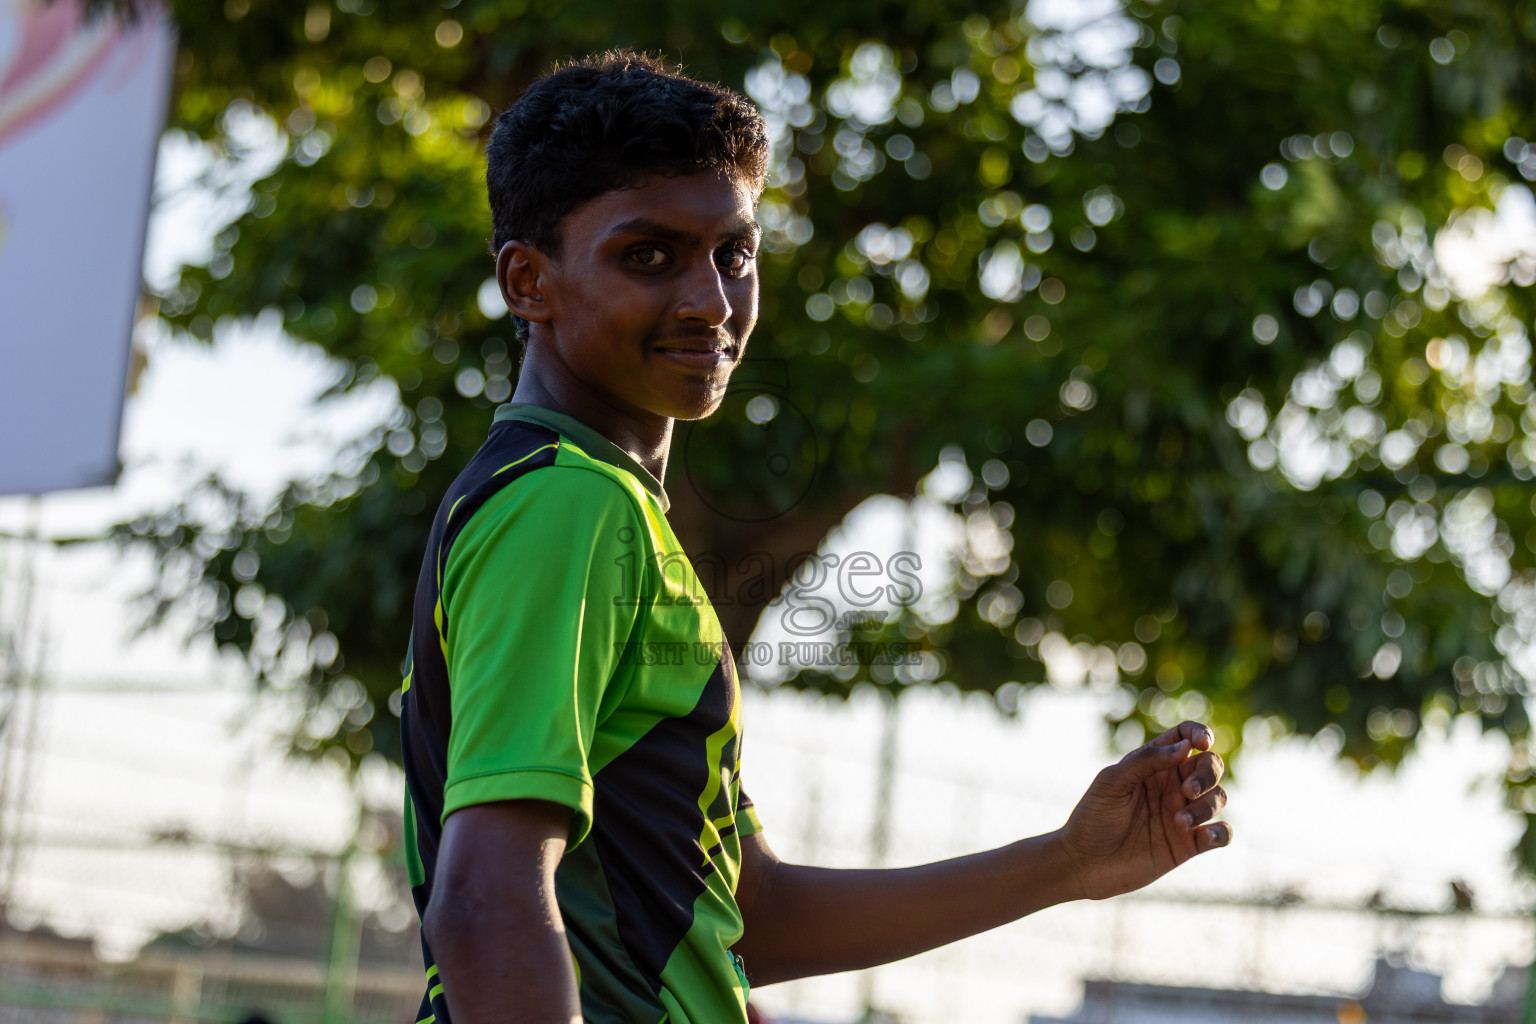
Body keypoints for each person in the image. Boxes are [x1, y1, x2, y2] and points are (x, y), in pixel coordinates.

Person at [399, 49, 1232, 1024]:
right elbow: (486, 901)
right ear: (528, 281)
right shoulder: (565, 503)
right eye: (649, 256)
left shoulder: (597, 507)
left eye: (733, 254)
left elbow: (750, 914)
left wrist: (1068, 861)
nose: (711, 302)